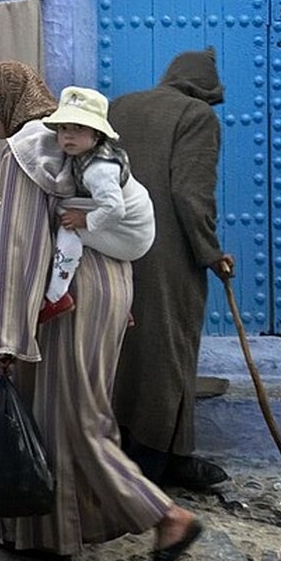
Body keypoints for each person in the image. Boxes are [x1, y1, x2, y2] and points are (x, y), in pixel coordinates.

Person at [0, 60, 202, 561]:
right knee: (50, 411)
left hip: (69, 296)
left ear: (7, 102)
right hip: (105, 287)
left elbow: (22, 246)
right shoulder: (70, 143)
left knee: (76, 417)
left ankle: (168, 517)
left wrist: (7, 333)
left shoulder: (27, 152)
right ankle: (47, 534)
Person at [110, 47, 235, 491]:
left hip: (113, 245)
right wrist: (210, 251)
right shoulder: (197, 116)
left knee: (123, 348)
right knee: (170, 352)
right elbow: (189, 194)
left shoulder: (120, 106)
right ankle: (155, 461)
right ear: (205, 90)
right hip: (168, 256)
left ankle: (128, 450)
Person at [39, 86, 155, 324]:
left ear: (97, 134)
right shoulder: (87, 155)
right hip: (127, 222)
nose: (68, 135)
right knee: (66, 209)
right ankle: (117, 301)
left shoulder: (98, 169)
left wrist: (84, 221)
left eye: (78, 128)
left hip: (131, 234)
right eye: (63, 128)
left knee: (67, 226)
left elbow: (114, 209)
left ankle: (56, 296)